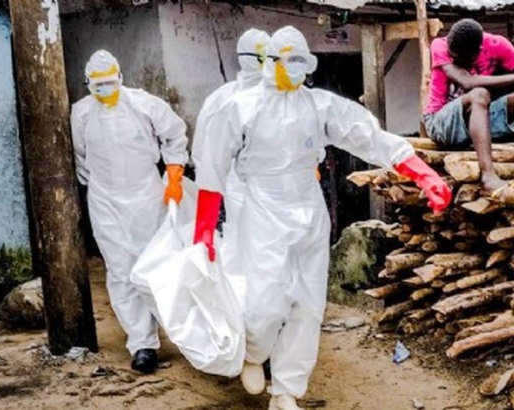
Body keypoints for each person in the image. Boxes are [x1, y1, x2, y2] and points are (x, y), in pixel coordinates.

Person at [192, 26, 451, 409]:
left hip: (309, 210)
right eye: (289, 62)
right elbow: (212, 166)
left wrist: (420, 171)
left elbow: (366, 134)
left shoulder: (317, 105)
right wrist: (204, 228)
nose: (295, 71)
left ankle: (286, 390)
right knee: (266, 301)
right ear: (271, 63)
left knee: (308, 304)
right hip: (262, 209)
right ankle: (253, 351)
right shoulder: (240, 107)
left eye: (301, 63)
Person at [71, 50, 189, 373]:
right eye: (98, 85)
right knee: (121, 271)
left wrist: (174, 175)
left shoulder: (144, 104)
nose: (105, 90)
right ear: (88, 84)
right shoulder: (81, 113)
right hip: (106, 201)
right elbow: (82, 158)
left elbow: (174, 134)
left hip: (148, 196)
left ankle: (183, 333)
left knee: (158, 266)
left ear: (120, 78)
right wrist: (97, 186)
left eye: (110, 83)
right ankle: (142, 344)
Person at [423, 18, 514, 194]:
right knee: (480, 94)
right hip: (439, 123)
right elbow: (467, 81)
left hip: (476, 121)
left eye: (461, 59)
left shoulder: (498, 45)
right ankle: (488, 175)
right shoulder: (440, 45)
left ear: (478, 51)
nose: (455, 60)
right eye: (453, 57)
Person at [193, 28, 271, 225]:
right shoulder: (221, 100)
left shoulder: (283, 97)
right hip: (239, 190)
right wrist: (213, 188)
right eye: (265, 56)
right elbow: (203, 153)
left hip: (281, 188)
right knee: (245, 235)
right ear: (247, 58)